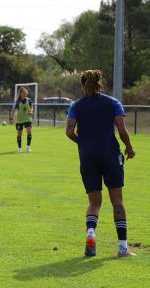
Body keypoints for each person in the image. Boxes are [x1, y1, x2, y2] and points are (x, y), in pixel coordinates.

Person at [66, 69, 136, 257]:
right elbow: (121, 130)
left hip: (88, 157)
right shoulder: (113, 103)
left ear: (83, 85)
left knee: (94, 202)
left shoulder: (76, 106)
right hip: (111, 155)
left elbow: (69, 131)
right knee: (117, 202)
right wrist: (129, 147)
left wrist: (83, 143)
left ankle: (91, 233)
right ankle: (122, 247)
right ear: (100, 84)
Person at [10, 87, 33, 152]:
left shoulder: (29, 100)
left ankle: (28, 147)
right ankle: (19, 148)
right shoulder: (17, 101)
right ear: (20, 93)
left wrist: (31, 111)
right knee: (19, 134)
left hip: (28, 119)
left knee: (29, 132)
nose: (25, 94)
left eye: (26, 93)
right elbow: (13, 110)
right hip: (19, 120)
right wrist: (11, 118)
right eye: (24, 93)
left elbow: (31, 107)